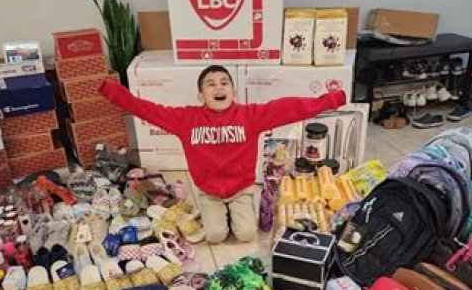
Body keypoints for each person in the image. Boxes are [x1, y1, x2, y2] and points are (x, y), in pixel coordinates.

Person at [99, 65, 346, 243]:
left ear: (233, 92)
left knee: (246, 234)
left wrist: (331, 99)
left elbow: (288, 108)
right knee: (215, 236)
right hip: (208, 191)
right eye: (211, 84)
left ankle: (239, 210)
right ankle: (213, 214)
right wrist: (111, 91)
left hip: (241, 188)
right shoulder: (186, 119)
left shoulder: (250, 116)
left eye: (224, 82)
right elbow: (147, 110)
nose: (218, 87)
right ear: (201, 96)